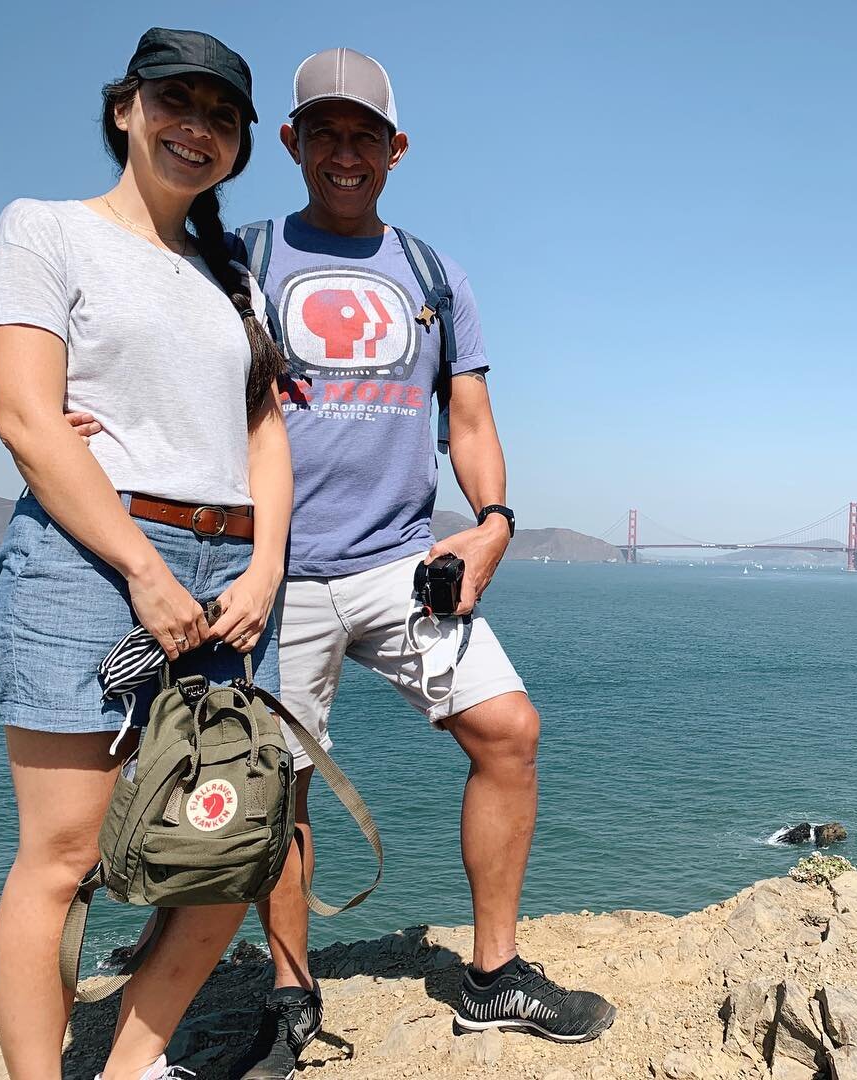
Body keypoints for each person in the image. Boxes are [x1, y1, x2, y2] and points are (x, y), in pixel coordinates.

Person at [224, 47, 617, 1079]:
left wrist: (492, 520)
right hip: (278, 573)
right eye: (324, 133)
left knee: (509, 732)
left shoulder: (435, 273)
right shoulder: (244, 260)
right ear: (291, 144)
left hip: (404, 563)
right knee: (281, 791)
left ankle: (493, 977)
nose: (344, 153)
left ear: (396, 150)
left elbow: (471, 418)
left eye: (364, 136)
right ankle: (290, 995)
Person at [0, 28, 292, 1080]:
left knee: (226, 855)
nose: (196, 127)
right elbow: (24, 417)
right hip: (93, 559)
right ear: (126, 109)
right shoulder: (45, 230)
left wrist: (263, 571)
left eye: (221, 115)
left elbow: (265, 437)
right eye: (175, 102)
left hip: (233, 576)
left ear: (241, 144)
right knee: (63, 860)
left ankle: (132, 1067)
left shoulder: (233, 273)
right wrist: (143, 571)